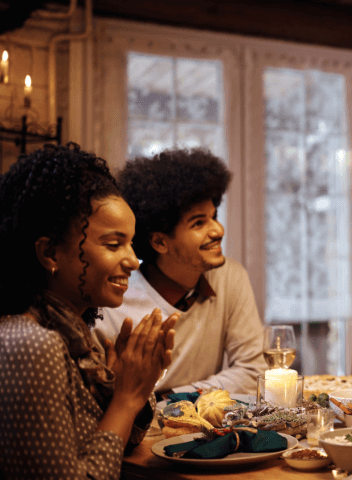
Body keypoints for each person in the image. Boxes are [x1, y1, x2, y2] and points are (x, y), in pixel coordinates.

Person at [0, 143, 176, 479]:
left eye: (131, 243)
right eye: (113, 244)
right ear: (50, 252)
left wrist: (125, 389)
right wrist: (126, 398)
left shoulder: (75, 336)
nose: (131, 261)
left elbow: (110, 448)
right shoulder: (33, 346)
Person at [94, 148, 266, 396]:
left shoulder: (230, 277)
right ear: (160, 242)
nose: (218, 230)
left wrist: (173, 398)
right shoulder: (111, 303)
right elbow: (99, 396)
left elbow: (253, 371)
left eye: (214, 216)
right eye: (199, 223)